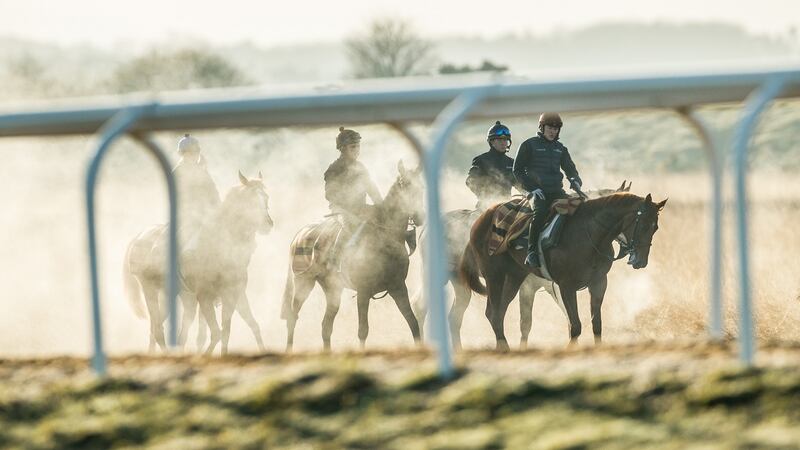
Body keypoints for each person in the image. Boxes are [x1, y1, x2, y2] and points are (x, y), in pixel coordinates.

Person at [512, 113, 583, 268]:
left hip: (557, 191)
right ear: (542, 127)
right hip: (538, 193)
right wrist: (532, 188)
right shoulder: (528, 144)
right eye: (550, 128)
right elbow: (517, 170)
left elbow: (570, 169)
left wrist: (575, 180)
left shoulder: (561, 148)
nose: (553, 132)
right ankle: (531, 252)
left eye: (556, 129)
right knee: (540, 214)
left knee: (578, 208)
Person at [324, 127, 383, 269]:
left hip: (360, 208)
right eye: (353, 147)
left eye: (358, 146)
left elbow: (372, 188)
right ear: (343, 148)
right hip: (340, 209)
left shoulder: (361, 167)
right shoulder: (334, 168)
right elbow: (329, 194)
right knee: (347, 227)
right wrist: (349, 200)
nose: (357, 150)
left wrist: (382, 206)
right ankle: (333, 260)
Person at [172, 134, 221, 243]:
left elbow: (212, 191)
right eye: (189, 153)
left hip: (205, 213)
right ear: (182, 154)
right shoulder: (178, 172)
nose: (193, 155)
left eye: (195, 152)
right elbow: (178, 196)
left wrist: (219, 208)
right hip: (186, 215)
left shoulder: (202, 170)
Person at [465, 121, 518, 210]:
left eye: (505, 140)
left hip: (506, 207)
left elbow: (519, 184)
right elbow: (470, 181)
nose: (503, 143)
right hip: (485, 208)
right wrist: (485, 197)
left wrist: (530, 192)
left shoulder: (511, 163)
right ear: (492, 142)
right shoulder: (481, 160)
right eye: (499, 140)